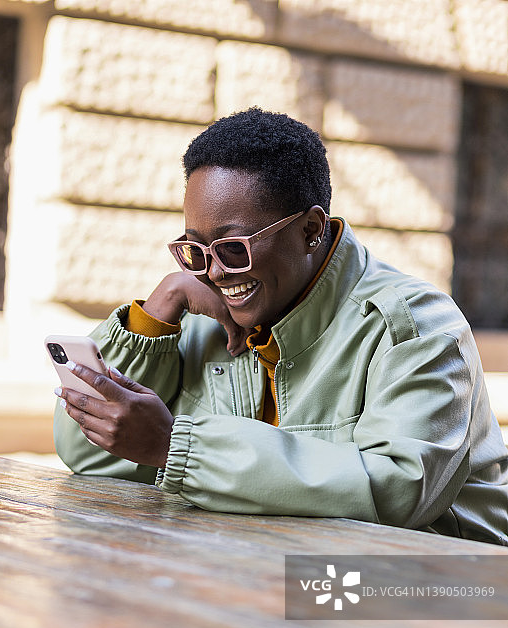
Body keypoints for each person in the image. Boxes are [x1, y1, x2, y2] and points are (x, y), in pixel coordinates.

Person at [54, 107, 508, 546]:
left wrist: (176, 447)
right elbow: (89, 456)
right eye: (194, 251)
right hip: (272, 569)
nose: (213, 272)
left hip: (434, 590)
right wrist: (157, 313)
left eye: (234, 248)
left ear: (311, 229)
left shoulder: (414, 325)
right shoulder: (199, 314)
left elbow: (398, 491)